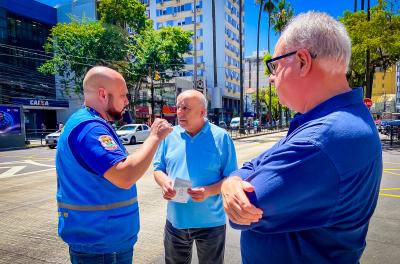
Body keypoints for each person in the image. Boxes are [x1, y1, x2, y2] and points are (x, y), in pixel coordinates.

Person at [221, 12, 382, 264]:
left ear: (303, 61)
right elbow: (254, 164)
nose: (272, 77)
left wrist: (232, 182)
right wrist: (231, 181)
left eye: (274, 66)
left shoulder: (322, 138)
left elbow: (244, 209)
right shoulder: (337, 120)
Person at [56, 66, 172, 264]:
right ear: (102, 94)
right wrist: (154, 137)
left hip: (105, 242)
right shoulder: (90, 129)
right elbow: (125, 176)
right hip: (102, 248)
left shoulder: (91, 123)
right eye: (123, 95)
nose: (127, 101)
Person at [153, 90, 238, 264]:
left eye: (186, 108)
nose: (179, 112)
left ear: (202, 112)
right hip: (176, 221)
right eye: (178, 107)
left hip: (211, 223)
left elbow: (231, 179)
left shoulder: (221, 137)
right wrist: (164, 182)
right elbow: (157, 169)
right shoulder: (169, 136)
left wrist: (208, 191)